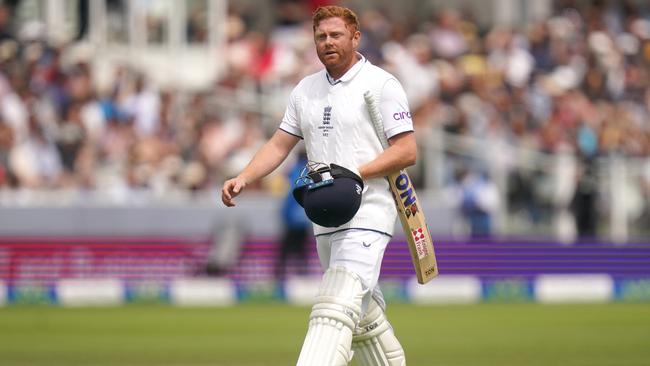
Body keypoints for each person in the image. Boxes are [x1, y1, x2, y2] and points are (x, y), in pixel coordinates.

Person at [222, 5, 414, 365]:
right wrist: (244, 176)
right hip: (325, 214)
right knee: (362, 318)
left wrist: (357, 172)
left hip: (369, 210)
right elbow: (280, 143)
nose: (328, 42)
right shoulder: (305, 89)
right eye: (321, 36)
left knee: (335, 304)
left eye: (336, 35)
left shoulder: (381, 85)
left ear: (355, 38)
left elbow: (406, 150)